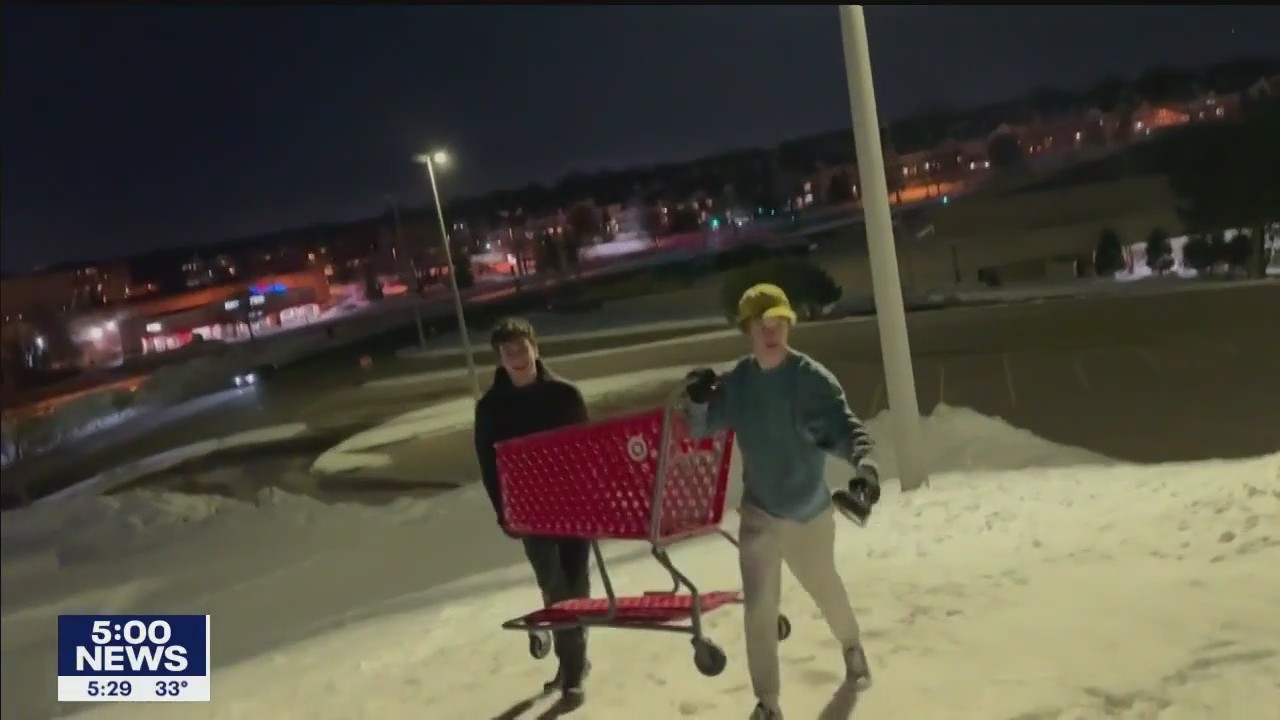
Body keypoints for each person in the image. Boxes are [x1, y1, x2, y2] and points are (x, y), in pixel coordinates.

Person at [683, 283, 880, 720]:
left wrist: (866, 471)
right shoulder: (740, 383)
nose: (771, 331)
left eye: (779, 322)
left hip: (809, 512)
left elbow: (848, 429)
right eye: (761, 324)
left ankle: (851, 646)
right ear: (748, 330)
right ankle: (768, 703)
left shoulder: (811, 380)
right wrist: (697, 401)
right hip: (760, 514)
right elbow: (701, 428)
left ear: (789, 325)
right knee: (759, 607)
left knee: (825, 589)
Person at [473, 317, 593, 700]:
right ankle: (574, 671)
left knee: (577, 586)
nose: (516, 356)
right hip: (530, 513)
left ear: (535, 349)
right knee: (553, 584)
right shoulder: (491, 408)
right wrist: (504, 514)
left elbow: (588, 453)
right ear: (500, 360)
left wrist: (597, 502)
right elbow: (488, 467)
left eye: (521, 348)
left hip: (574, 507)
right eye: (508, 352)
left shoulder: (565, 395)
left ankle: (571, 663)